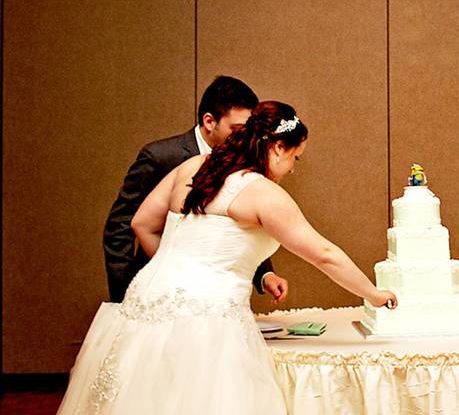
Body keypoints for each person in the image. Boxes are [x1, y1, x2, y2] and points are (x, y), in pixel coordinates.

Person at [59, 101, 397, 414]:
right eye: (297, 157)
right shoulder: (263, 193)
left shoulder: (193, 167)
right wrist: (374, 294)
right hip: (208, 318)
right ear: (278, 147)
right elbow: (324, 255)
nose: (293, 168)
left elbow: (142, 223)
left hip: (144, 301)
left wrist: (173, 268)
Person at [103, 76, 288, 303]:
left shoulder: (243, 163)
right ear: (210, 121)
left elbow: (235, 228)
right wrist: (125, 297)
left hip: (213, 298)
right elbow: (119, 229)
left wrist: (264, 275)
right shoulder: (160, 157)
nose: (245, 137)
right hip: (156, 292)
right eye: (238, 129)